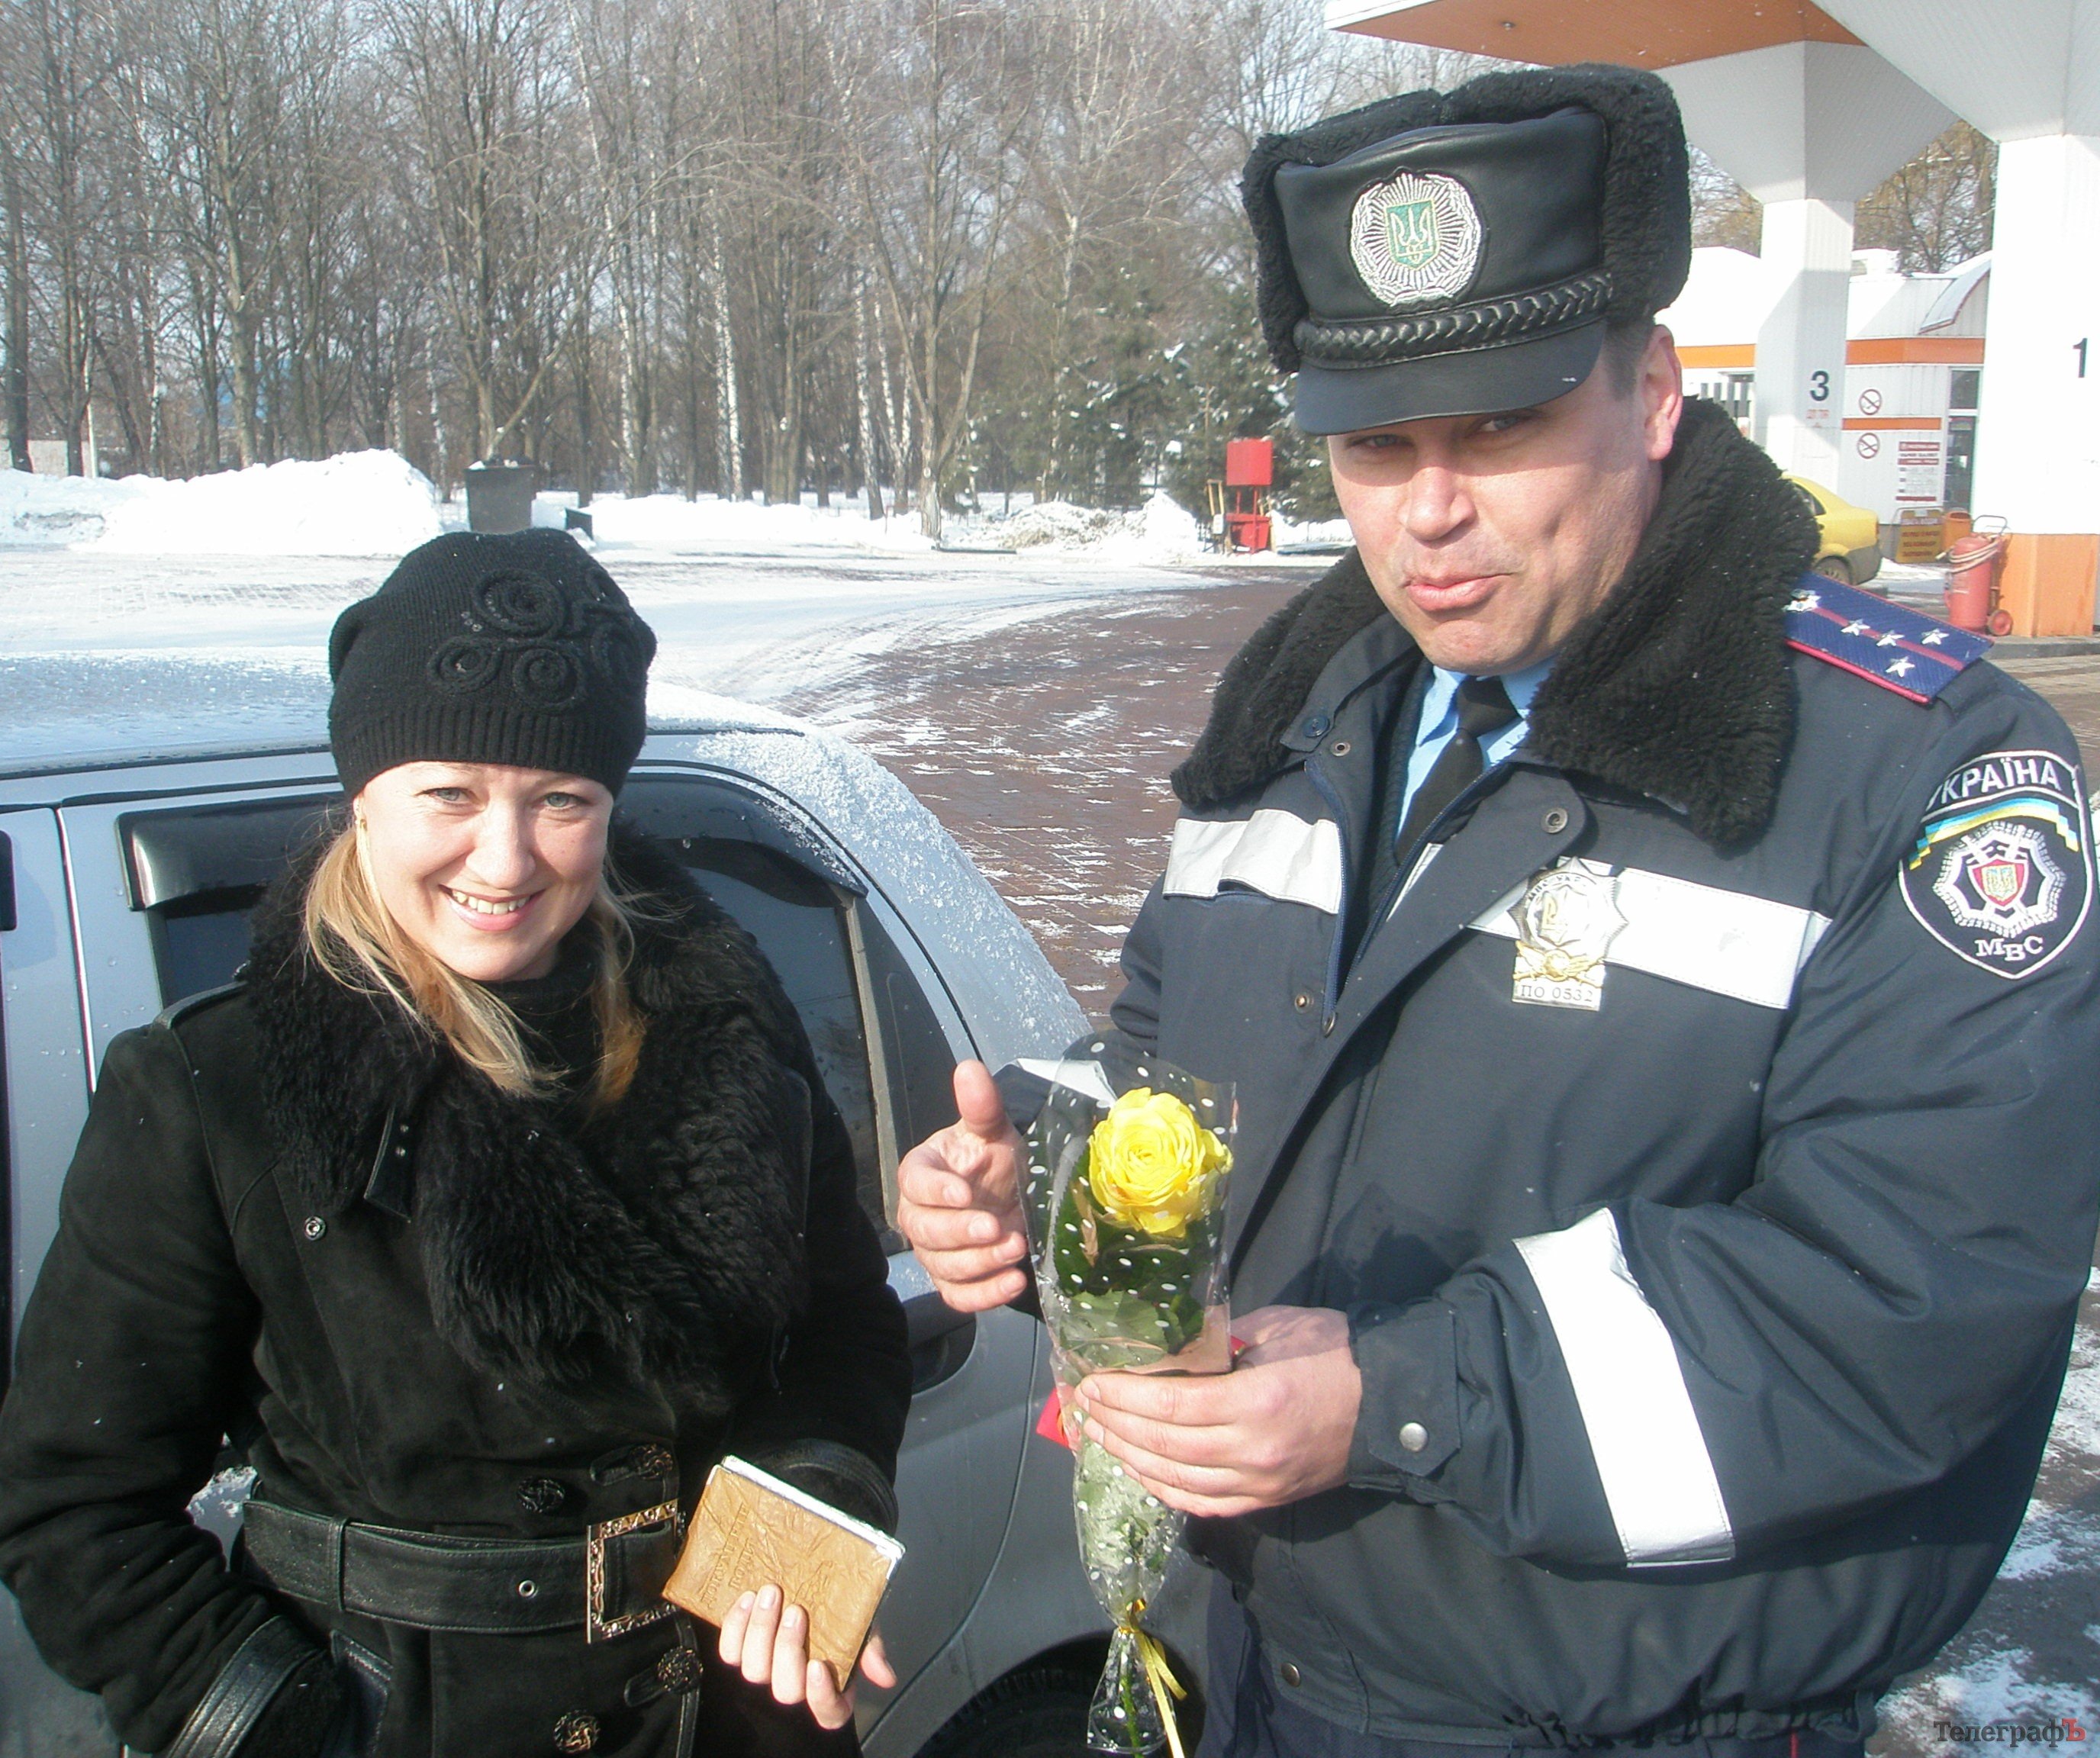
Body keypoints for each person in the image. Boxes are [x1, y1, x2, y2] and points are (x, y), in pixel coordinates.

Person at [897, 63, 2100, 1758]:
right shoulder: (1304, 717)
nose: (1430, 511)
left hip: (1637, 1720)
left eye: (1504, 426)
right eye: (1377, 446)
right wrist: (1051, 1180)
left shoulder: (1910, 774)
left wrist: (1395, 1402)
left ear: (1658, 394)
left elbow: (1912, 1305)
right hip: (1256, 1676)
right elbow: (1183, 1072)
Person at [0, 530, 910, 1758]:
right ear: (363, 791)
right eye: (450, 793)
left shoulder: (722, 1017)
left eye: (562, 801)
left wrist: (804, 1523)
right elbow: (71, 1509)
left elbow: (841, 1321)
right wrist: (282, 1728)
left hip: (729, 1719)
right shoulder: (223, 1090)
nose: (506, 856)